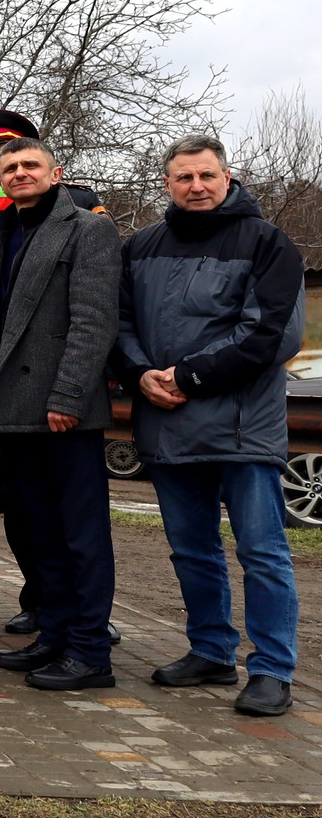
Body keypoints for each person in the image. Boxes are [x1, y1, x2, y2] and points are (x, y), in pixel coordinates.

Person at [114, 135, 305, 717]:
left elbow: (273, 335)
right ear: (167, 183)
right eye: (184, 177)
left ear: (227, 177)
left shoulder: (268, 243)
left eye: (206, 176)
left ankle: (272, 669)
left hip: (242, 429)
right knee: (191, 550)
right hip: (167, 422)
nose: (196, 186)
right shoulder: (140, 245)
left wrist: (188, 377)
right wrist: (139, 374)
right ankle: (212, 650)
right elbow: (119, 323)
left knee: (262, 553)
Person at [0, 135, 122, 691]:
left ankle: (91, 650)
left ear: (56, 174)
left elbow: (94, 319)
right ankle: (54, 634)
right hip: (14, 408)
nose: (19, 173)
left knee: (82, 534)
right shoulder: (3, 232)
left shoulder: (87, 228)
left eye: (30, 165)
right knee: (41, 534)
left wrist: (68, 397)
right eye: (9, 168)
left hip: (61, 409)